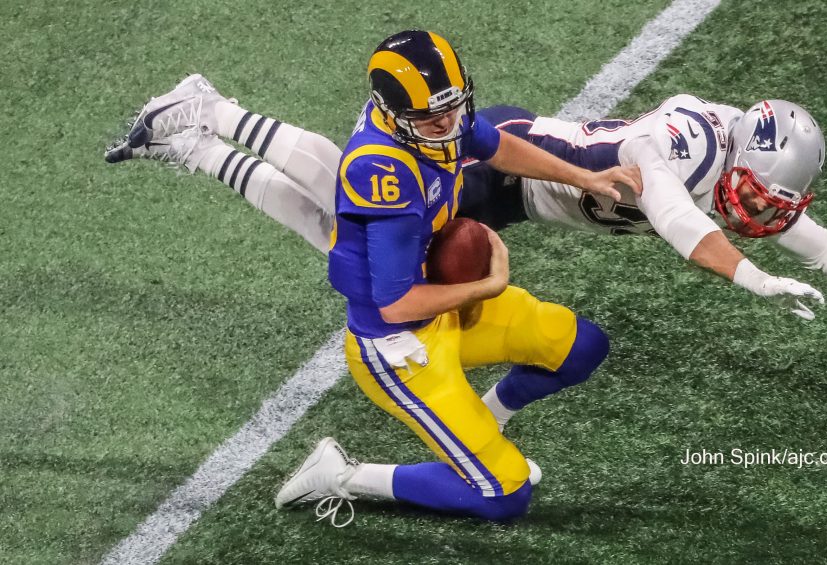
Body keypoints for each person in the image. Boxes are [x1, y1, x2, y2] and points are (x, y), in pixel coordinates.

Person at [110, 30, 644, 525]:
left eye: (455, 108)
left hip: (437, 305)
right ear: (396, 115)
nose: (450, 125)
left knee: (583, 346)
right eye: (435, 119)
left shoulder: (427, 118)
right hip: (400, 346)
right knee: (505, 494)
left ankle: (200, 130)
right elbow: (396, 304)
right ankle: (341, 474)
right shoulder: (383, 173)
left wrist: (583, 175)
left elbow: (491, 143)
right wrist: (486, 287)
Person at [107, 86, 827, 321]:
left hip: (521, 198)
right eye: (757, 187)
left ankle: (196, 134)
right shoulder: (678, 143)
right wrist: (753, 281)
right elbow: (677, 220)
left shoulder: (744, 168)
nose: (761, 206)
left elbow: (814, 238)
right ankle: (206, 119)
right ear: (740, 150)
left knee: (348, 225)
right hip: (506, 160)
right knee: (352, 220)